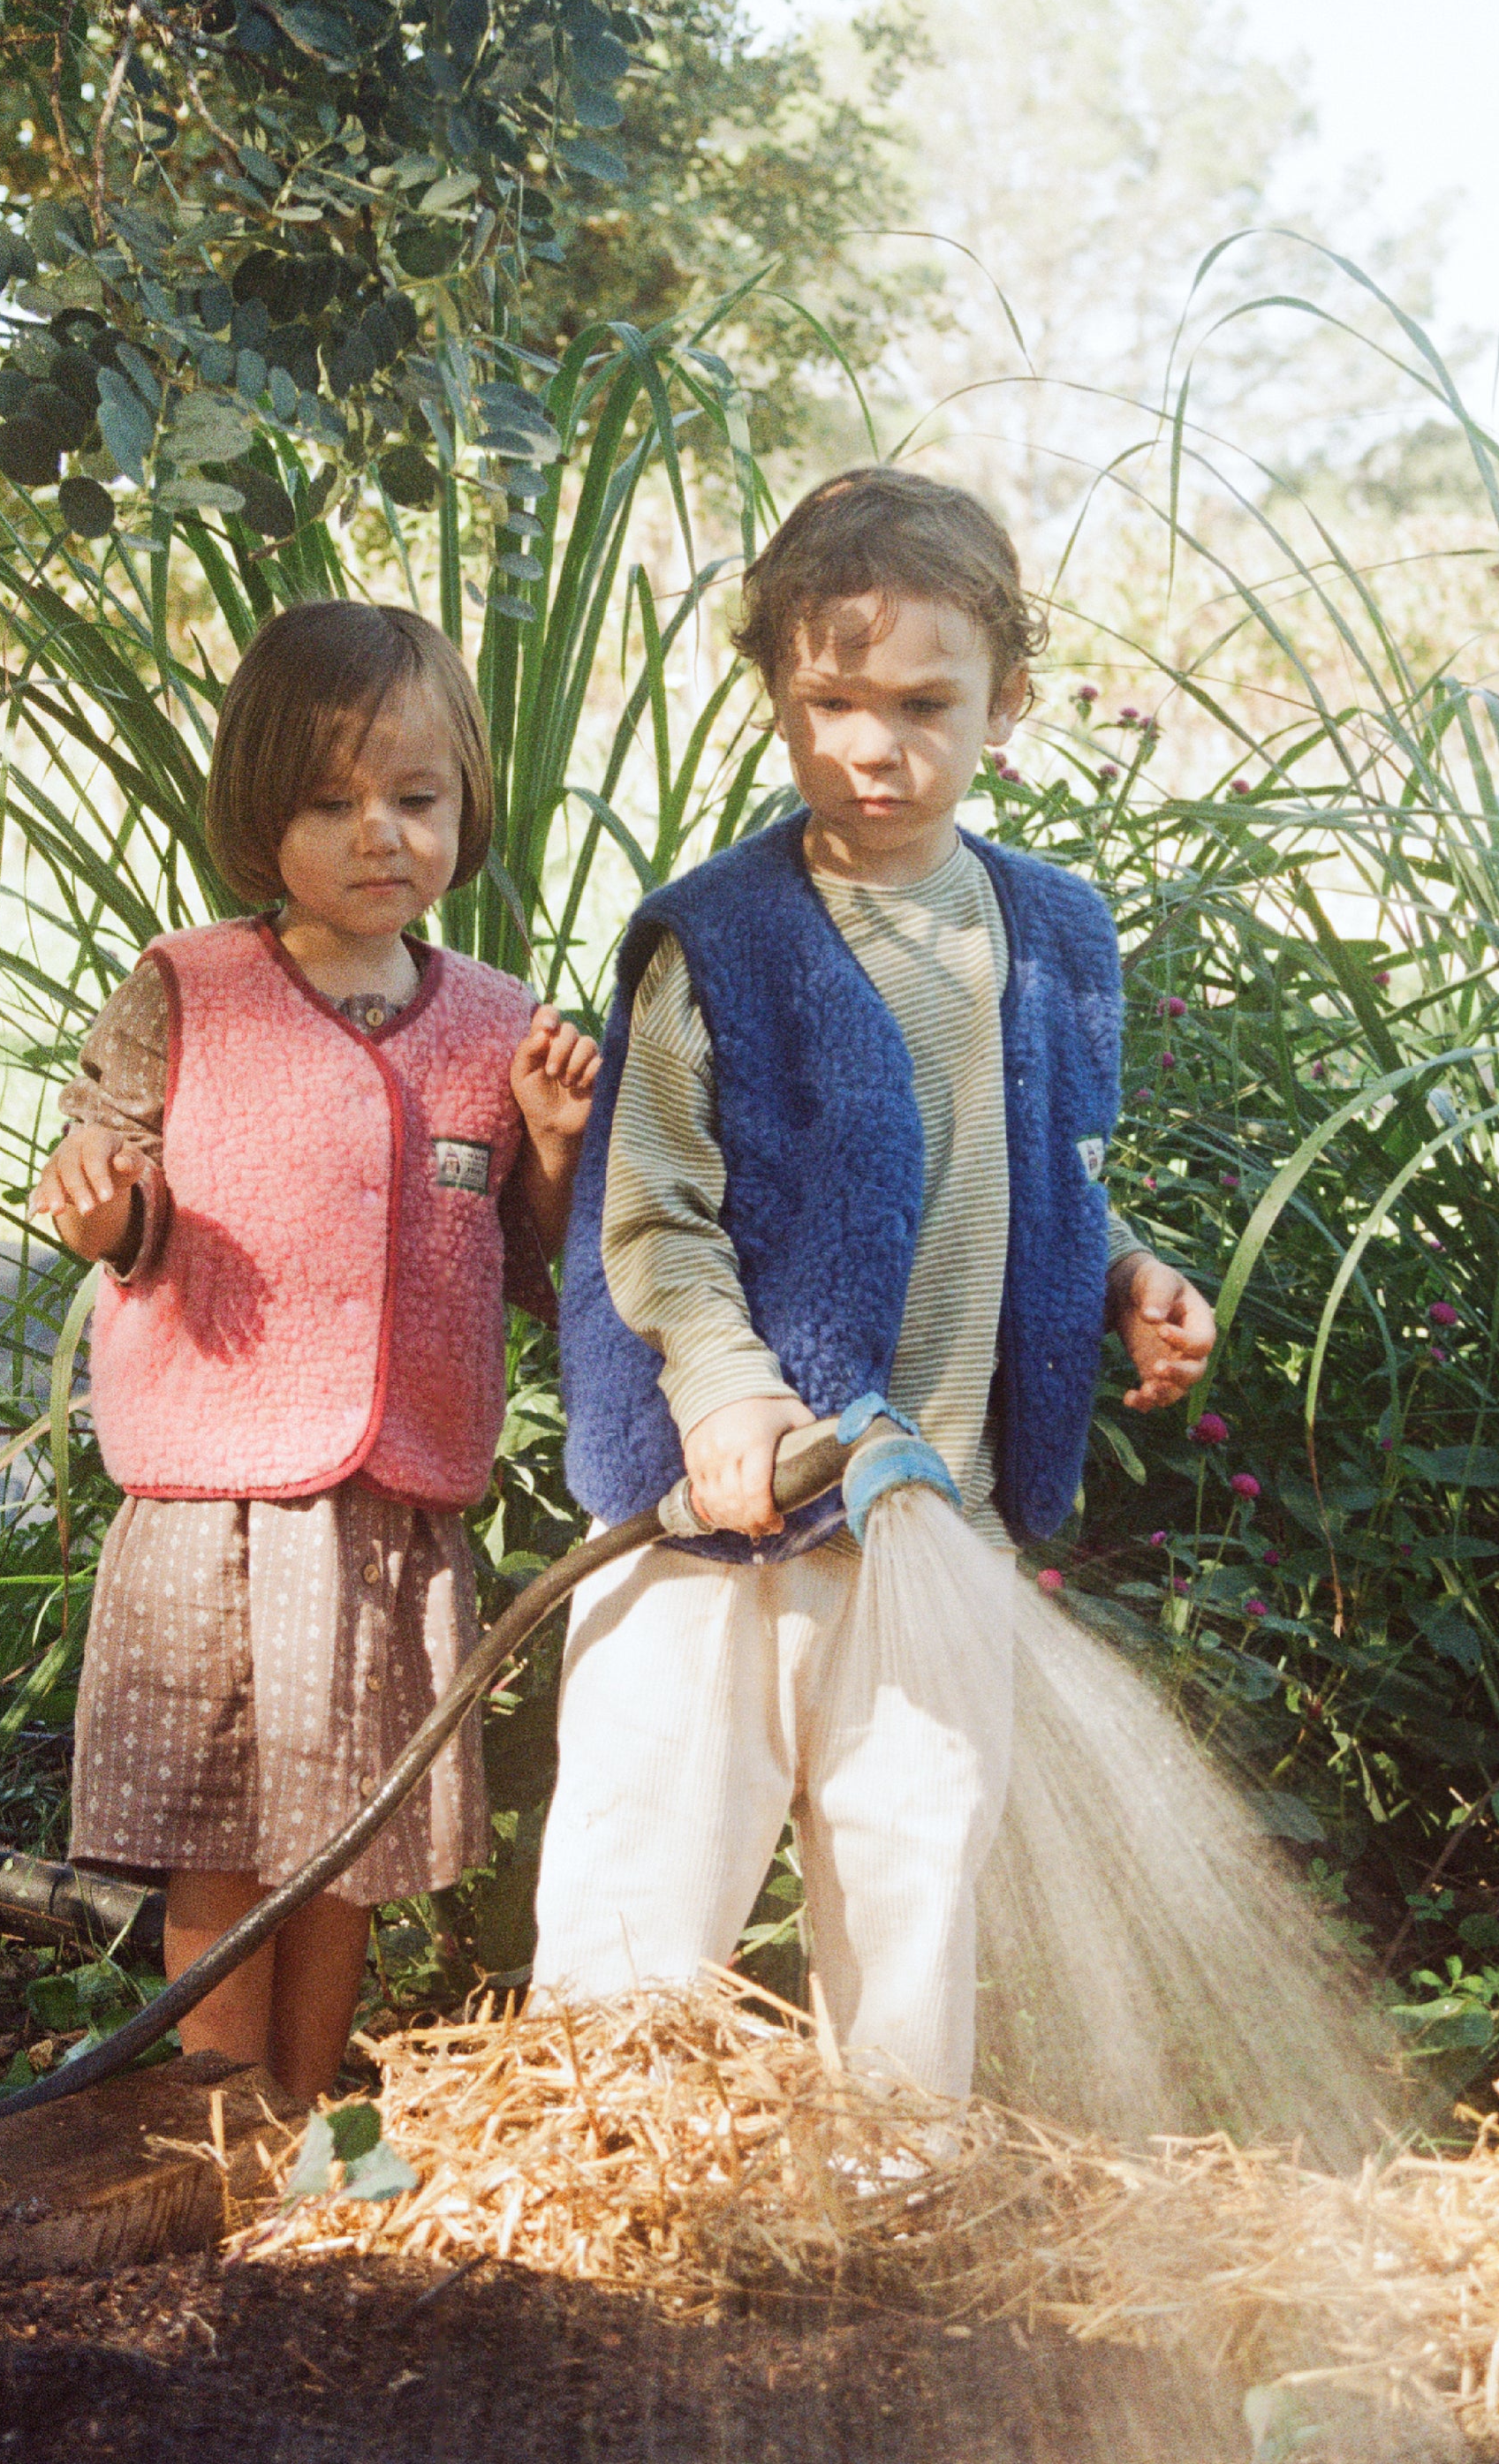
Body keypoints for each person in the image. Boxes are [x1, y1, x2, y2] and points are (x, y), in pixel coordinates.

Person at [534, 467, 1216, 2099]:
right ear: (777, 688)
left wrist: (1125, 1277)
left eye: (925, 702)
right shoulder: (716, 936)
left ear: (1010, 700)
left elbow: (1047, 1169)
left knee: (915, 1891)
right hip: (711, 1518)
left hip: (934, 1514)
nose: (872, 747)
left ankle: (899, 2222)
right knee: (643, 1895)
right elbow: (656, 1215)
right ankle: (582, 2213)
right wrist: (727, 1392)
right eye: (829, 699)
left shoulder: (1051, 932)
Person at [31, 601, 599, 2100]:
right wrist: (100, 1207)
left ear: (465, 807)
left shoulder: (495, 1023)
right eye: (332, 802)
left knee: (346, 1844)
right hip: (218, 1498)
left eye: (415, 800)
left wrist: (547, 1147)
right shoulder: (189, 988)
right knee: (222, 1838)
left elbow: (538, 1264)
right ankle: (215, 2127)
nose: (379, 837)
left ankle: (303, 2112)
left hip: (391, 1500)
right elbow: (106, 1168)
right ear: (255, 814)